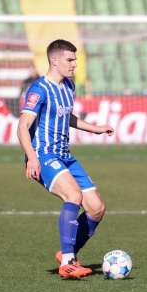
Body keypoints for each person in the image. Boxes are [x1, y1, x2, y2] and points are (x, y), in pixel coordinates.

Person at [18, 40, 114, 279]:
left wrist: (95, 128)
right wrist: (31, 157)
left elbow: (66, 116)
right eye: (70, 60)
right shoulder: (38, 89)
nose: (74, 65)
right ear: (54, 61)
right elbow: (23, 126)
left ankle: (67, 253)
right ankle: (68, 263)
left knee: (96, 208)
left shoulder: (68, 86)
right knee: (74, 196)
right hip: (43, 155)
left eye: (75, 60)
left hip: (65, 156)